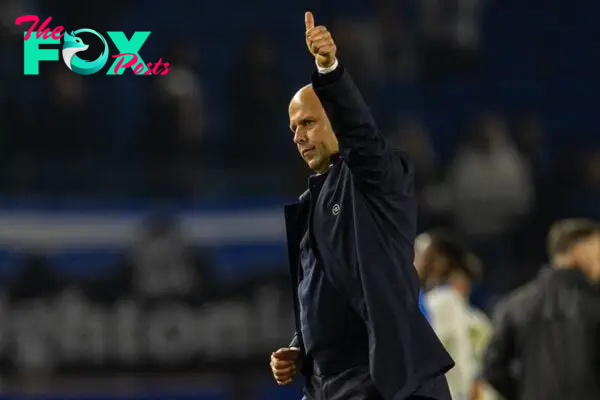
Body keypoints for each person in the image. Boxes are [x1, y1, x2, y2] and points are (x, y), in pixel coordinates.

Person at [269, 12, 453, 400]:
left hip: (385, 381)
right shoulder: (308, 207)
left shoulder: (377, 179)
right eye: (293, 129)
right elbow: (325, 292)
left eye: (308, 123)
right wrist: (302, 346)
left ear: (335, 118)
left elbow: (362, 137)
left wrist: (329, 71)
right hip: (329, 385)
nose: (298, 137)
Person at [481, 218, 600, 400]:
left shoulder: (515, 303)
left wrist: (523, 392)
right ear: (578, 251)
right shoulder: (594, 301)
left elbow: (493, 368)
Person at [414, 230, 497, 400]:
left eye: (420, 253)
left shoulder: (444, 301)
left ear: (440, 262)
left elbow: (460, 357)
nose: (414, 260)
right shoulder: (429, 301)